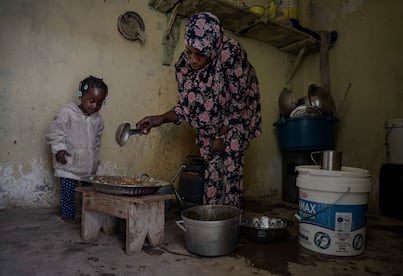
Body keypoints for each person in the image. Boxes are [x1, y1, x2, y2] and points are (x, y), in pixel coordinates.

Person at [136, 12, 261, 208]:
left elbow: (239, 101)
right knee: (212, 167)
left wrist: (222, 138)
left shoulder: (231, 54)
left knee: (230, 168)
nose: (193, 60)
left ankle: (229, 221)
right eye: (189, 52)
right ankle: (210, 219)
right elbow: (187, 106)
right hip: (211, 119)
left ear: (213, 46)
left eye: (200, 54)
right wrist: (159, 119)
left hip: (237, 114)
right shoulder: (184, 65)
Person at [46, 76, 108, 223]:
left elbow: (97, 142)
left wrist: (95, 160)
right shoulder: (67, 113)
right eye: (91, 101)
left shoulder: (98, 120)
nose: (94, 106)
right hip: (69, 163)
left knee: (89, 193)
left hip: (87, 166)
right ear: (81, 95)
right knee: (68, 191)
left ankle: (88, 214)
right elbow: (55, 132)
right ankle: (68, 215)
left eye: (99, 103)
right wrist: (59, 149)